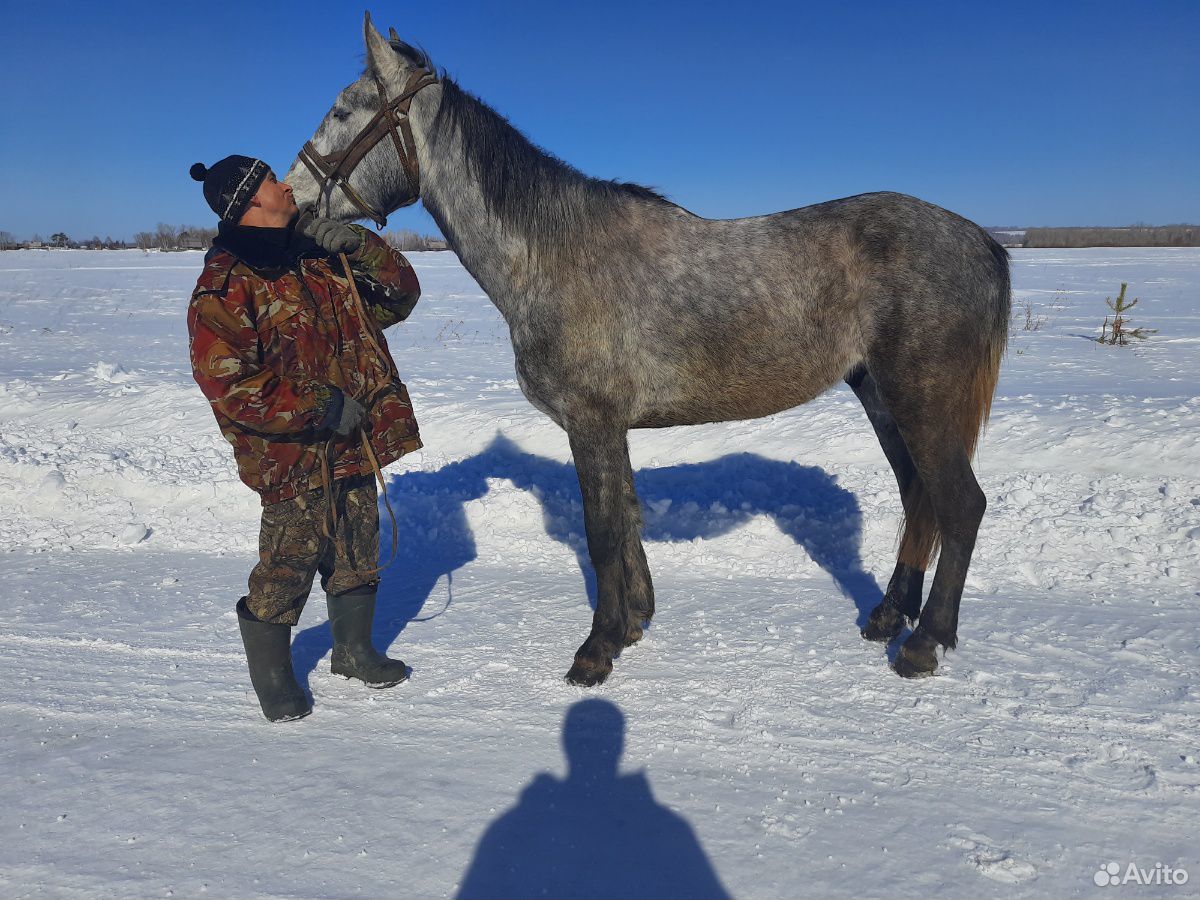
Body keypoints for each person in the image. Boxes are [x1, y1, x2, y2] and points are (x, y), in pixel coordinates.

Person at [186, 154, 423, 722]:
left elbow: (400, 299)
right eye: (272, 181)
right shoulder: (226, 279)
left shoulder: (317, 257)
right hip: (290, 453)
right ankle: (273, 679)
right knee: (287, 564)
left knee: (357, 550)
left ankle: (354, 651)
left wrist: (358, 245)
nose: (288, 185)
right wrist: (321, 405)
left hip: (352, 438)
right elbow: (228, 382)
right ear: (248, 202)